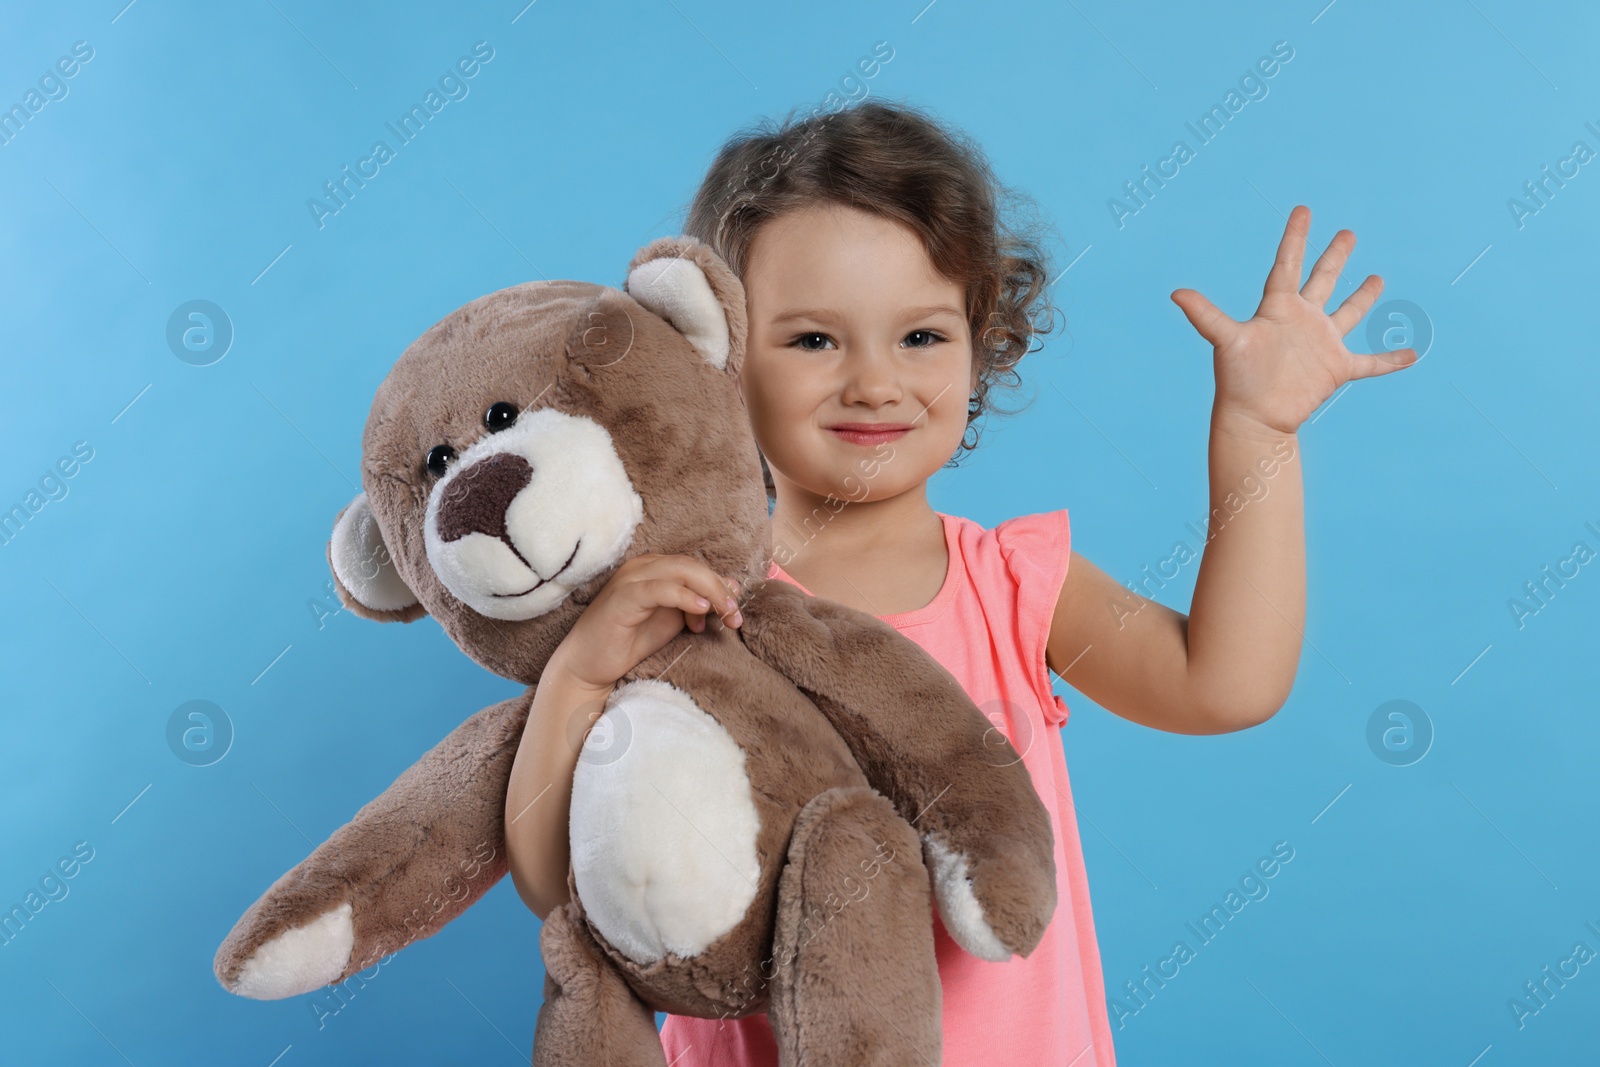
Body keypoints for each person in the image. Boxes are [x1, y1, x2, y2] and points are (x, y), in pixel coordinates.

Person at [503, 98, 1417, 1066]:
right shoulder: (682, 605)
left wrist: (1257, 436)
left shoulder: (1014, 585)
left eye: (921, 337)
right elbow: (553, 872)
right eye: (813, 340)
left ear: (982, 339)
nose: (874, 382)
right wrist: (579, 673)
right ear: (719, 355)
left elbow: (1225, 681)